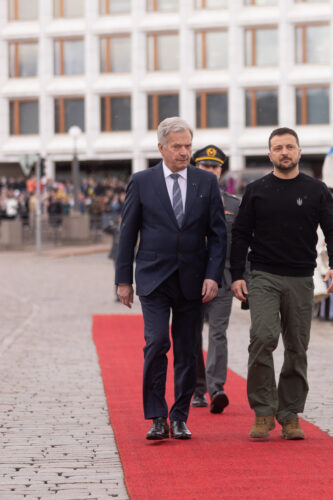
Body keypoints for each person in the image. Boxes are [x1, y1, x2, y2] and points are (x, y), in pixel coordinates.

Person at [116, 117, 227, 441]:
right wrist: (124, 280)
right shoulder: (142, 181)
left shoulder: (205, 183)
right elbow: (128, 233)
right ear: (161, 147)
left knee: (187, 349)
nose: (184, 152)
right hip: (153, 278)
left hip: (193, 279)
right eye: (177, 146)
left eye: (188, 146)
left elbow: (218, 235)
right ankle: (156, 416)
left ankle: (179, 416)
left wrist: (213, 276)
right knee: (156, 343)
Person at [230, 127, 333, 440]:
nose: (284, 152)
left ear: (299, 152)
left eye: (289, 147)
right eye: (277, 147)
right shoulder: (256, 190)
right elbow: (240, 234)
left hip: (301, 278)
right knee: (262, 338)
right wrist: (238, 274)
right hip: (264, 276)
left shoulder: (317, 190)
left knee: (297, 346)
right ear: (269, 154)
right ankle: (263, 410)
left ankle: (290, 413)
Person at [190, 144, 245, 414]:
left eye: (214, 166)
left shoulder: (234, 205)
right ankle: (197, 387)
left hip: (222, 279)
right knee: (190, 335)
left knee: (218, 333)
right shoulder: (184, 199)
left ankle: (216, 388)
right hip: (189, 278)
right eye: (204, 166)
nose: (210, 171)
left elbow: (242, 246)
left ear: (221, 170)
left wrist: (241, 277)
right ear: (195, 167)